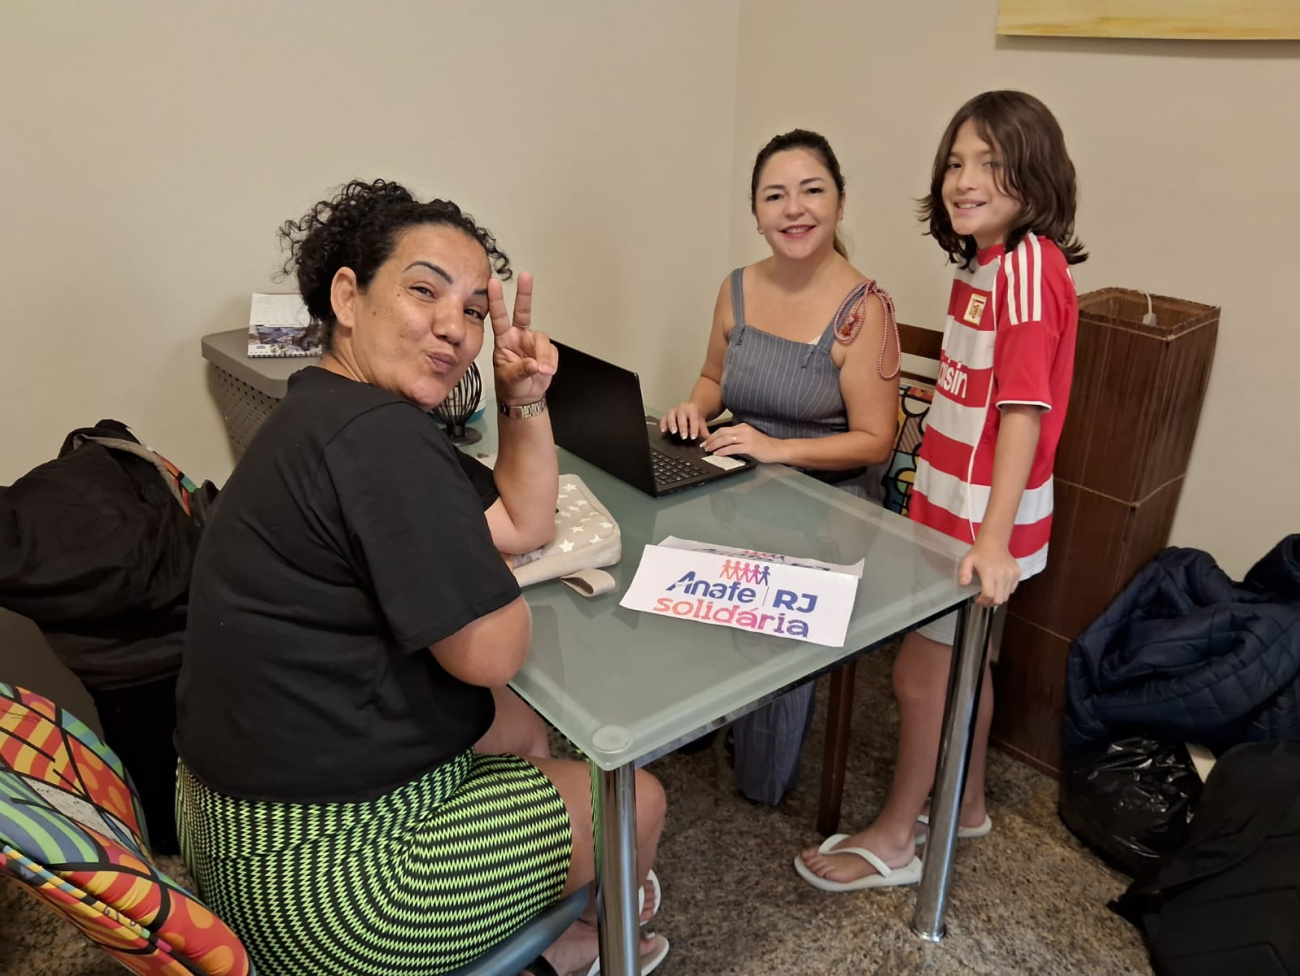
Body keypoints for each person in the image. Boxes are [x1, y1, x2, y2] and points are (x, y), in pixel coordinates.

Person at [174, 179, 669, 976]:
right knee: (635, 799)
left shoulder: (324, 408)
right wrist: (476, 567)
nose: (455, 328)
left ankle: (530, 898)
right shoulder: (383, 440)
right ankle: (589, 942)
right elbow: (493, 652)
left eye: (473, 310)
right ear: (348, 296)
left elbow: (524, 523)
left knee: (518, 726)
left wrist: (522, 397)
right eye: (424, 291)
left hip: (227, 831)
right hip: (330, 894)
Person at [797, 90, 1087, 891]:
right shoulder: (987, 263)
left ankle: (896, 839)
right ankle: (965, 804)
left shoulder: (1026, 270)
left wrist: (989, 539)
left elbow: (1024, 410)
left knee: (920, 676)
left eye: (991, 164)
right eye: (956, 163)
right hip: (960, 510)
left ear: (1036, 173)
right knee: (965, 667)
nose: (965, 180)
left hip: (977, 524)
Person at [661, 130, 900, 805]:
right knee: (664, 552)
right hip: (743, 478)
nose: (794, 209)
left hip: (831, 503)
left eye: (811, 191)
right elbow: (714, 377)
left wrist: (777, 448)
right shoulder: (736, 288)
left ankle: (756, 754)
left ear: (839, 203)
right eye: (775, 196)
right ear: (757, 214)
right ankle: (697, 712)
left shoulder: (865, 310)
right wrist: (694, 409)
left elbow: (876, 441)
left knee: (763, 600)